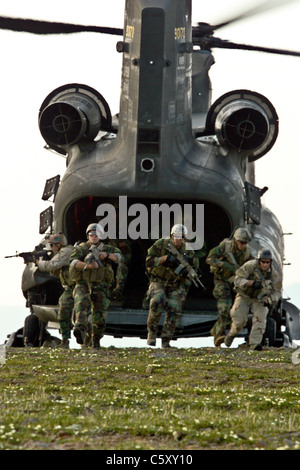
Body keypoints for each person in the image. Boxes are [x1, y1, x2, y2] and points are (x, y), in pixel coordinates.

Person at [145, 224, 199, 348]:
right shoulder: (161, 245)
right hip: (158, 280)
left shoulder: (188, 251)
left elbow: (194, 269)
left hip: (176, 283)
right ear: (172, 236)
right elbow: (149, 261)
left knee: (174, 307)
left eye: (181, 237)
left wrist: (185, 273)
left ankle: (166, 339)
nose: (178, 240)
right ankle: (152, 334)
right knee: (157, 301)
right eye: (176, 236)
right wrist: (165, 259)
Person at [69, 223, 122, 349]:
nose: (94, 237)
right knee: (81, 303)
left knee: (99, 316)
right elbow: (72, 261)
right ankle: (79, 329)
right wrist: (87, 265)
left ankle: (96, 340)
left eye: (96, 234)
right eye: (91, 235)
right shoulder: (82, 248)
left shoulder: (107, 248)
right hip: (83, 284)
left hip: (100, 286)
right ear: (88, 236)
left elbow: (119, 257)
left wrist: (106, 256)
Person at [224, 248, 282, 350]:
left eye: (267, 262)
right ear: (259, 261)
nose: (265, 264)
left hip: (259, 299)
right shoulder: (250, 266)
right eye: (263, 262)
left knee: (261, 318)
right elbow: (237, 281)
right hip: (244, 296)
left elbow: (277, 292)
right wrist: (251, 283)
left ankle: (254, 344)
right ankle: (231, 334)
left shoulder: (273, 274)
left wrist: (271, 299)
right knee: (239, 321)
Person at [206, 227, 253, 346]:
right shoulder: (225, 247)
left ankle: (251, 339)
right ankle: (218, 334)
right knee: (225, 306)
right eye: (241, 242)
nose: (243, 245)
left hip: (236, 281)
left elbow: (253, 266)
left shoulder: (247, 252)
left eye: (245, 243)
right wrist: (226, 265)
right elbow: (210, 259)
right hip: (221, 279)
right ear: (236, 241)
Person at [35, 233, 75, 348]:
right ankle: (65, 341)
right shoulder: (64, 251)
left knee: (82, 315)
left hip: (80, 287)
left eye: (52, 245)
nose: (51, 248)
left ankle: (89, 342)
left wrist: (39, 263)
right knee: (63, 312)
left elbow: (52, 265)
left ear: (58, 244)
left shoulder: (66, 251)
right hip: (70, 289)